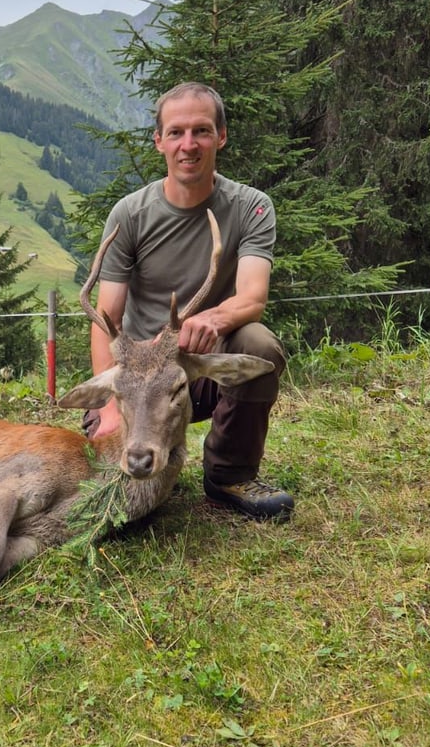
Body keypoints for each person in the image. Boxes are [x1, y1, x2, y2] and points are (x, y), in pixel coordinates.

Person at [84, 81, 294, 520]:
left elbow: (253, 297)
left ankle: (229, 475)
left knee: (258, 344)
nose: (189, 145)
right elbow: (107, 319)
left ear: (221, 136)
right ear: (159, 141)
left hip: (197, 365)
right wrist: (107, 404)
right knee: (99, 492)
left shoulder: (251, 207)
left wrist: (213, 319)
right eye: (176, 133)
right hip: (139, 377)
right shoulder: (130, 215)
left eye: (201, 131)